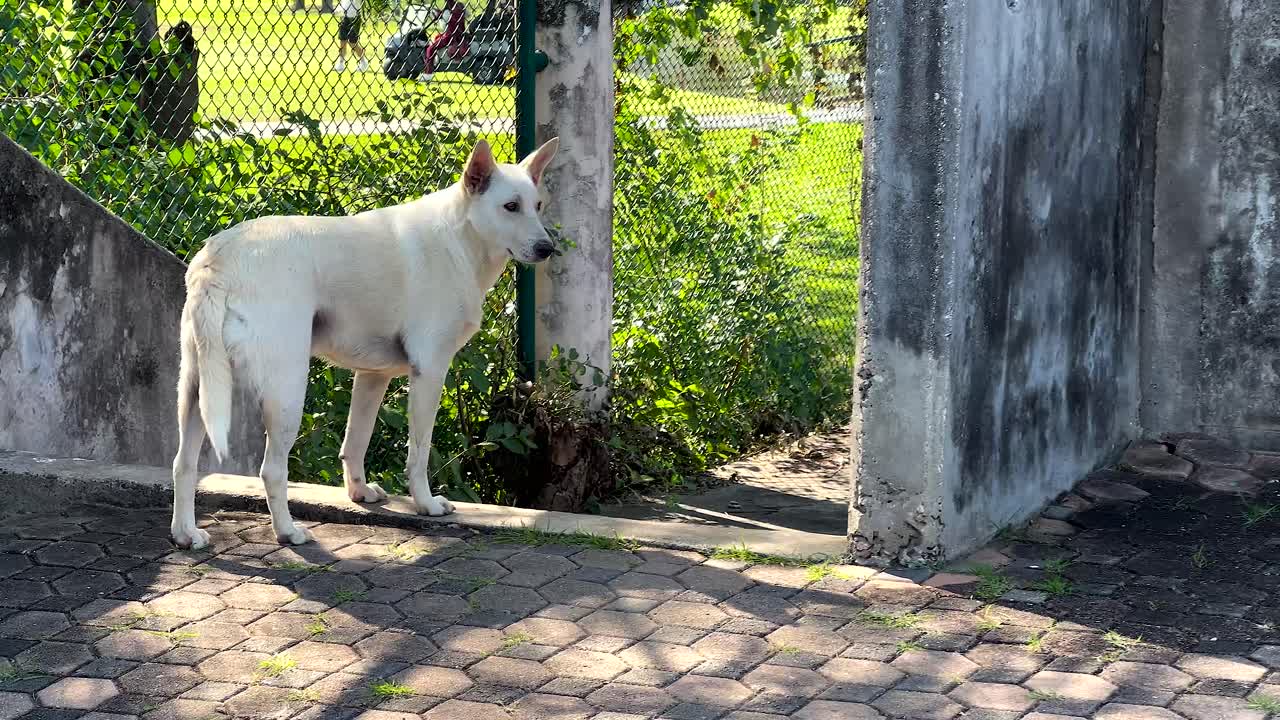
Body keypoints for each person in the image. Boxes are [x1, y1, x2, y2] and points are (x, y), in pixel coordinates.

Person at [418, 0, 466, 82]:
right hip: (459, 35)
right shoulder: (459, 7)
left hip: (450, 36)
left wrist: (439, 14)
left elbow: (446, 19)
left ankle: (428, 73)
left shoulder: (449, 10)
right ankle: (433, 63)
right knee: (436, 38)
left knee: (430, 48)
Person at [334, 0, 369, 73]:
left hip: (355, 17)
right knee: (342, 40)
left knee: (352, 42)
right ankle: (341, 62)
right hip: (344, 16)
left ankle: (363, 61)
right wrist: (339, 9)